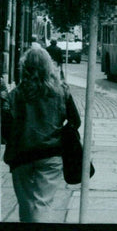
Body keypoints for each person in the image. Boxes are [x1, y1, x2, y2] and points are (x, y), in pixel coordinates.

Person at [1, 46, 81, 222]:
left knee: (26, 206)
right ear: (49, 67)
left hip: (21, 156)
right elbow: (75, 121)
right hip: (50, 156)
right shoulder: (62, 91)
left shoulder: (15, 95)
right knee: (41, 205)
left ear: (24, 68)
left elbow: (5, 131)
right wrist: (59, 132)